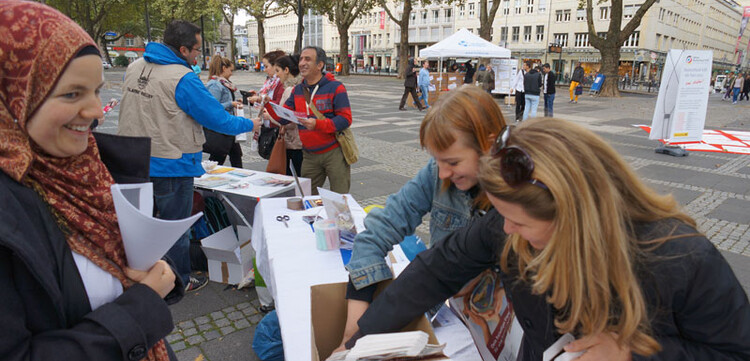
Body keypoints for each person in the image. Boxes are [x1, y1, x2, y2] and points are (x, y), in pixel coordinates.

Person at [345, 118, 750, 360]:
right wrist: (356, 342)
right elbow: (434, 272)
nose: (505, 232)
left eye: (518, 223)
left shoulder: (682, 259)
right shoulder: (505, 228)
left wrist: (635, 352)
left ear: (575, 218)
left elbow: (736, 353)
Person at [0, 1, 183, 360]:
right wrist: (142, 308)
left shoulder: (92, 166)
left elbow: (130, 257)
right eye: (72, 93)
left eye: (97, 91)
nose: (97, 112)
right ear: (13, 98)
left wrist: (163, 273)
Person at [335, 86, 507, 351]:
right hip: (450, 313)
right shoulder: (439, 171)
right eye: (437, 160)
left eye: (452, 162)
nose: (442, 174)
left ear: (489, 144)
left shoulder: (518, 200)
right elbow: (380, 230)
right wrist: (352, 331)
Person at [118, 20, 259, 291]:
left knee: (140, 226)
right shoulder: (182, 77)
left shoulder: (134, 67)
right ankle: (179, 281)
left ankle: (140, 276)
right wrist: (251, 124)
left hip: (133, 159)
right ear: (182, 49)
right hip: (171, 164)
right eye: (195, 50)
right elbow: (218, 119)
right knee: (175, 228)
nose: (198, 56)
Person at [268, 46, 353, 194]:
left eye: (307, 59)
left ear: (320, 65)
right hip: (309, 155)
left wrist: (317, 124)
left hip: (334, 152)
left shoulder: (335, 87)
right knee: (307, 198)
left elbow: (345, 119)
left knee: (340, 199)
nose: (302, 63)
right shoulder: (298, 90)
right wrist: (266, 104)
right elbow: (282, 118)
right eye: (301, 59)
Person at [204, 55, 244, 168]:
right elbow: (212, 107)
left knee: (236, 156)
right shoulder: (215, 84)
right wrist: (231, 104)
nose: (231, 73)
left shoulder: (223, 83)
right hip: (221, 128)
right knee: (218, 157)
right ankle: (208, 178)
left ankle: (239, 178)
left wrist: (235, 102)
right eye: (230, 70)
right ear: (223, 68)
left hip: (228, 126)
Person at [270, 54, 304, 176]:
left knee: (294, 178)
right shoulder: (298, 87)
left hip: (294, 142)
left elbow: (290, 119)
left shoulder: (290, 90)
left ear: (286, 70)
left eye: (278, 71)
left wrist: (269, 116)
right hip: (297, 142)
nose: (277, 75)